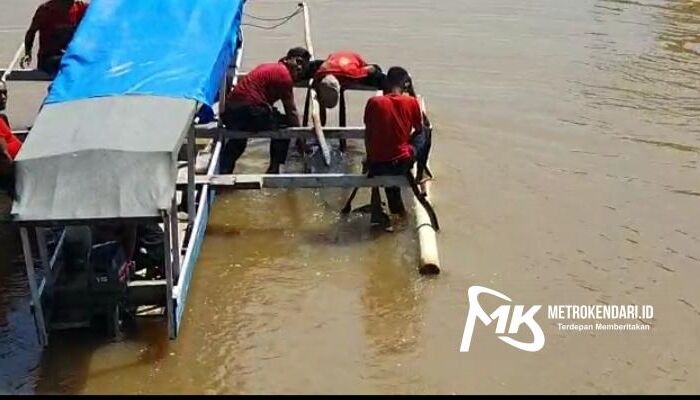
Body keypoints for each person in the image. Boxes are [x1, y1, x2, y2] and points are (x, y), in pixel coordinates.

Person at [220, 47, 310, 174]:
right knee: (284, 126)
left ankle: (224, 169)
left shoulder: (268, 67)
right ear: (287, 59)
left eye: (303, 66)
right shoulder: (284, 76)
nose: (299, 67)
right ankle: (274, 168)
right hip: (250, 111)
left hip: (231, 113)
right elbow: (292, 111)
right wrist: (300, 139)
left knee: (239, 138)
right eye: (298, 62)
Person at [363, 66, 429, 229]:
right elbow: (419, 129)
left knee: (388, 148)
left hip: (377, 165)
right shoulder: (411, 102)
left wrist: (369, 159)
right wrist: (411, 92)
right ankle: (420, 174)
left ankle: (397, 212)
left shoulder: (374, 102)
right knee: (426, 132)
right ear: (405, 84)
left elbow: (368, 132)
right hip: (400, 165)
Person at [20, 0, 89, 76]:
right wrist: (28, 53)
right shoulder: (45, 10)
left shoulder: (80, 7)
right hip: (49, 59)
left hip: (70, 57)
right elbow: (31, 32)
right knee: (72, 62)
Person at [307, 51, 385, 109]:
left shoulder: (351, 75)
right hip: (333, 59)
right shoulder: (319, 73)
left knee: (375, 70)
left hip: (351, 58)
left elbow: (371, 69)